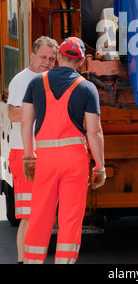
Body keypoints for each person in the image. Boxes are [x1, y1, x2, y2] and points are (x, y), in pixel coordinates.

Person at [21, 36, 106, 264]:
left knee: (40, 216)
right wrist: (100, 166)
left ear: (58, 57)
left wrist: (29, 156)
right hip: (74, 162)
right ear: (80, 62)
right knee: (70, 218)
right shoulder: (87, 89)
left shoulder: (36, 83)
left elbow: (26, 122)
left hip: (45, 160)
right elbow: (94, 132)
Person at [7, 36, 59, 264]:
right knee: (29, 215)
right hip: (24, 154)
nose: (47, 62)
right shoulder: (23, 80)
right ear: (32, 55)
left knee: (40, 215)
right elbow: (13, 114)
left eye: (52, 58)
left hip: (44, 154)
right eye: (43, 57)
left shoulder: (49, 80)